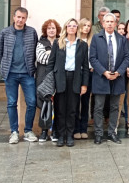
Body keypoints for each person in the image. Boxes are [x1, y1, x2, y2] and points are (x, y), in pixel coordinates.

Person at [0, 7, 39, 144]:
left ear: (26, 19)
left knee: (32, 102)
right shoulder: (5, 32)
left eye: (23, 17)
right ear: (14, 17)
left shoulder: (31, 32)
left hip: (27, 73)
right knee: (11, 103)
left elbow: (35, 52)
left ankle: (28, 130)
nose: (20, 20)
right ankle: (14, 132)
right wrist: (6, 65)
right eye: (18, 17)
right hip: (10, 74)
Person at [46, 18, 89, 147]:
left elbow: (85, 67)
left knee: (72, 109)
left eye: (74, 26)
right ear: (66, 28)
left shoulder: (82, 44)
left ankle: (69, 135)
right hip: (60, 78)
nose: (71, 28)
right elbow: (51, 64)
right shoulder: (58, 43)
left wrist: (84, 84)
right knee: (60, 109)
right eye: (69, 26)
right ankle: (60, 135)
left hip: (75, 79)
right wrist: (50, 82)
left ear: (77, 28)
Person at [90, 13, 129, 144]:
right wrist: (104, 72)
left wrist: (118, 72)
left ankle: (112, 133)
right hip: (101, 77)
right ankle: (98, 134)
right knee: (99, 107)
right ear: (102, 23)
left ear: (116, 23)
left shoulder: (121, 39)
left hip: (117, 78)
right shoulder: (96, 38)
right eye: (106, 21)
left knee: (114, 107)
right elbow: (93, 58)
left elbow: (126, 58)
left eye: (112, 22)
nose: (109, 24)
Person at [36, 19, 61, 142]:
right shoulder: (41, 42)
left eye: (53, 28)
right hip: (44, 77)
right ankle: (44, 131)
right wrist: (54, 55)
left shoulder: (61, 42)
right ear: (46, 30)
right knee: (44, 103)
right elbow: (41, 58)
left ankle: (55, 131)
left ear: (57, 30)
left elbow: (62, 59)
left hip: (57, 77)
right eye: (49, 28)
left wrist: (50, 53)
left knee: (57, 104)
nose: (51, 30)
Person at [75, 18, 93, 140]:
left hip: (89, 73)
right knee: (75, 102)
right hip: (77, 74)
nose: (86, 27)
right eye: (84, 25)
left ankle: (83, 128)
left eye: (88, 25)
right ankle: (76, 128)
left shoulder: (93, 40)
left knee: (86, 102)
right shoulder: (75, 41)